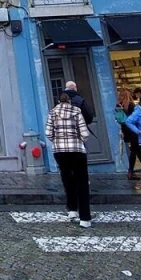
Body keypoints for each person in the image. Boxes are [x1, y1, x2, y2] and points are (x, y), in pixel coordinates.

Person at [45, 92, 92, 226]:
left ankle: (72, 209)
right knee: (82, 182)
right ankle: (85, 218)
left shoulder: (53, 113)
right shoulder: (76, 111)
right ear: (70, 101)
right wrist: (79, 140)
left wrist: (57, 141)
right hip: (76, 150)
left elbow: (48, 132)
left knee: (67, 179)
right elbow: (85, 133)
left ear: (58, 101)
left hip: (60, 151)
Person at [116, 88, 141, 180]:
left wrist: (121, 130)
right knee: (134, 150)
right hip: (132, 129)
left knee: (136, 149)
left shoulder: (119, 105)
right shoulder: (131, 105)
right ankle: (131, 171)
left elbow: (119, 119)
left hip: (125, 129)